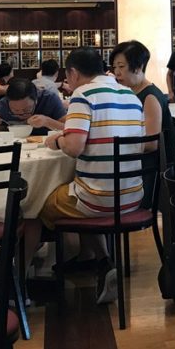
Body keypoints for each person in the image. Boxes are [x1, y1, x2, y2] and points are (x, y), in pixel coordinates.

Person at [39, 48, 145, 304]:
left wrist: (56, 141)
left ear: (73, 73)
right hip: (132, 196)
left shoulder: (83, 94)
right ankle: (104, 263)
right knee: (81, 190)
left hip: (99, 200)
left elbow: (74, 147)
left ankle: (14, 276)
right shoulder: (131, 95)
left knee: (36, 201)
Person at [111, 39, 175, 176]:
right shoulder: (129, 92)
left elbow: (151, 143)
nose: (117, 73)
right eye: (114, 67)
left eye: (121, 66)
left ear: (139, 67)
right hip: (136, 162)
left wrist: (114, 144)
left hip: (151, 170)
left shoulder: (150, 97)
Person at [0, 76, 65, 135]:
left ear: (36, 100)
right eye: (15, 111)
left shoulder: (50, 99)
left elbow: (69, 129)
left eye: (27, 110)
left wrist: (47, 121)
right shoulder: (3, 106)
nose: (21, 115)